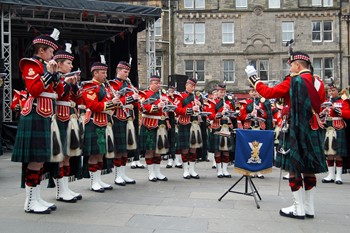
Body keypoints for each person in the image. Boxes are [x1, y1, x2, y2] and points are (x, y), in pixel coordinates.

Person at [246, 51, 327, 219]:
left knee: (294, 168)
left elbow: (268, 93)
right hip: (312, 128)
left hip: (295, 128)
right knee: (309, 169)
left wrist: (254, 78)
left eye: (291, 65)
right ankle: (309, 207)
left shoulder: (293, 80)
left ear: (297, 66)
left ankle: (298, 208)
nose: (290, 68)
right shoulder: (318, 82)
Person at [12, 29, 60, 214]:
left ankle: (37, 198)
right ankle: (30, 202)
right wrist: (48, 74)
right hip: (35, 113)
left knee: (40, 160)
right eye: (50, 52)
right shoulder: (30, 65)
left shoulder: (43, 65)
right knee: (35, 160)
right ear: (42, 51)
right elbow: (34, 90)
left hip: (45, 114)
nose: (52, 55)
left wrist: (54, 76)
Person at [81, 56, 117, 192]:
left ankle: (99, 179)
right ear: (95, 72)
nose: (105, 75)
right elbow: (93, 105)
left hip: (105, 122)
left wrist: (116, 104)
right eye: (103, 73)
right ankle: (93, 182)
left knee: (101, 153)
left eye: (106, 73)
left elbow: (108, 106)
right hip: (93, 122)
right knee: (94, 153)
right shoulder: (89, 86)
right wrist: (110, 103)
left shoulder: (105, 88)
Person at [52, 43, 82, 202]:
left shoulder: (69, 79)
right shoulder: (55, 77)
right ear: (59, 64)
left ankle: (66, 188)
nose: (71, 66)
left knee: (69, 155)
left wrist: (76, 85)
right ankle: (60, 191)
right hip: (59, 117)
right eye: (68, 63)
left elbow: (79, 100)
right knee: (61, 154)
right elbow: (56, 95)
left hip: (71, 116)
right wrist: (67, 83)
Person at [108, 61, 138, 186]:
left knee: (126, 148)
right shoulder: (112, 84)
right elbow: (113, 101)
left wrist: (136, 97)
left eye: (128, 72)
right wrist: (130, 98)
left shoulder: (129, 85)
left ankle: (123, 173)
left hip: (128, 118)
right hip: (117, 117)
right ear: (118, 70)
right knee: (118, 148)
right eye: (125, 72)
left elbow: (134, 103)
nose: (127, 74)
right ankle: (117, 175)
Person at [139, 75, 169, 181]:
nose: (158, 85)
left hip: (160, 123)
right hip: (149, 123)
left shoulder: (162, 94)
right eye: (156, 83)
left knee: (158, 149)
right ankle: (151, 173)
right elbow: (142, 107)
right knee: (150, 149)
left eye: (159, 83)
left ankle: (158, 172)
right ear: (150, 83)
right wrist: (157, 107)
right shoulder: (144, 94)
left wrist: (166, 104)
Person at [239, 85, 273, 178]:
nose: (254, 93)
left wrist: (260, 110)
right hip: (249, 127)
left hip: (260, 127)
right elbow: (241, 115)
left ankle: (259, 170)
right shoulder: (245, 102)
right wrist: (250, 114)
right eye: (252, 91)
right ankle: (249, 169)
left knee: (260, 148)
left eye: (256, 91)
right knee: (249, 148)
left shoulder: (263, 102)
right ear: (249, 92)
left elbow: (267, 115)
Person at [321, 83, 350, 184]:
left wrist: (339, 111)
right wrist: (323, 112)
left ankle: (338, 176)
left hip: (338, 127)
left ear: (338, 91)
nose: (331, 92)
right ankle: (330, 175)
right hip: (328, 128)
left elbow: (348, 114)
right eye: (329, 91)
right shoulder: (326, 102)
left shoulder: (343, 101)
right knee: (329, 153)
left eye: (333, 91)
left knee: (338, 153)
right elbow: (320, 115)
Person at [174, 76, 202, 179]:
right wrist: (191, 109)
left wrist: (200, 106)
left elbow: (200, 112)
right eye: (191, 86)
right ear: (186, 85)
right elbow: (177, 110)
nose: (193, 88)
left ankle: (192, 170)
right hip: (185, 123)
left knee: (193, 148)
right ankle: (185, 170)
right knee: (185, 148)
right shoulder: (180, 96)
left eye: (194, 86)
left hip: (194, 124)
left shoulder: (196, 97)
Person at [207, 83, 236, 178]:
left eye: (224, 92)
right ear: (217, 92)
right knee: (218, 150)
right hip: (217, 127)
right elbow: (210, 115)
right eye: (220, 92)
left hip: (226, 127)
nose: (222, 94)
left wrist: (230, 112)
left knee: (226, 149)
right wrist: (221, 113)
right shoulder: (212, 102)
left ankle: (225, 170)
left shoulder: (229, 103)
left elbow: (234, 115)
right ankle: (219, 170)